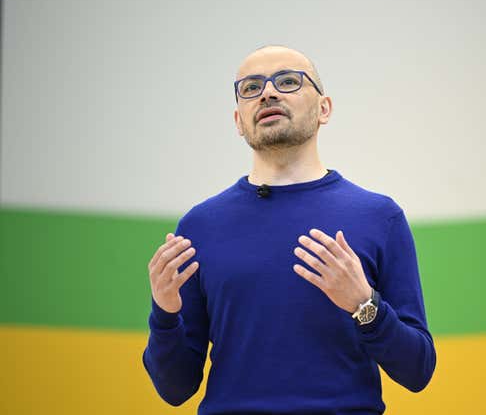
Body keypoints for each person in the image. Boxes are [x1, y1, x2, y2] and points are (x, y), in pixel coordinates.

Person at [142, 45, 437, 414]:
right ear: (238, 120)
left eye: (288, 81)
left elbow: (417, 370)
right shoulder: (200, 226)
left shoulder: (380, 217)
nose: (268, 92)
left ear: (324, 108)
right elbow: (175, 389)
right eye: (251, 87)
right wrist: (165, 314)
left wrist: (365, 305)